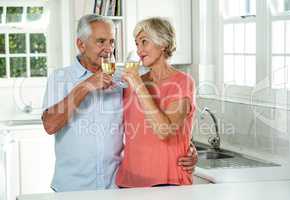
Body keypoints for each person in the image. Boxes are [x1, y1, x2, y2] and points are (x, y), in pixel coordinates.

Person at [42, 14, 197, 192]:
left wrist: (186, 146)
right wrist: (86, 86)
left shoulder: (122, 81)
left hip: (115, 186)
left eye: (112, 42)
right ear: (81, 44)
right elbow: (50, 125)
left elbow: (154, 124)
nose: (109, 49)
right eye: (101, 42)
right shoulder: (60, 78)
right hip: (73, 188)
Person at [116, 17, 196, 188]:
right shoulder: (132, 83)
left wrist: (138, 85)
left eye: (144, 42)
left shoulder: (183, 82)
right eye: (137, 44)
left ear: (163, 44)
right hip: (129, 181)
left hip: (167, 181)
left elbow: (164, 131)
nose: (139, 50)